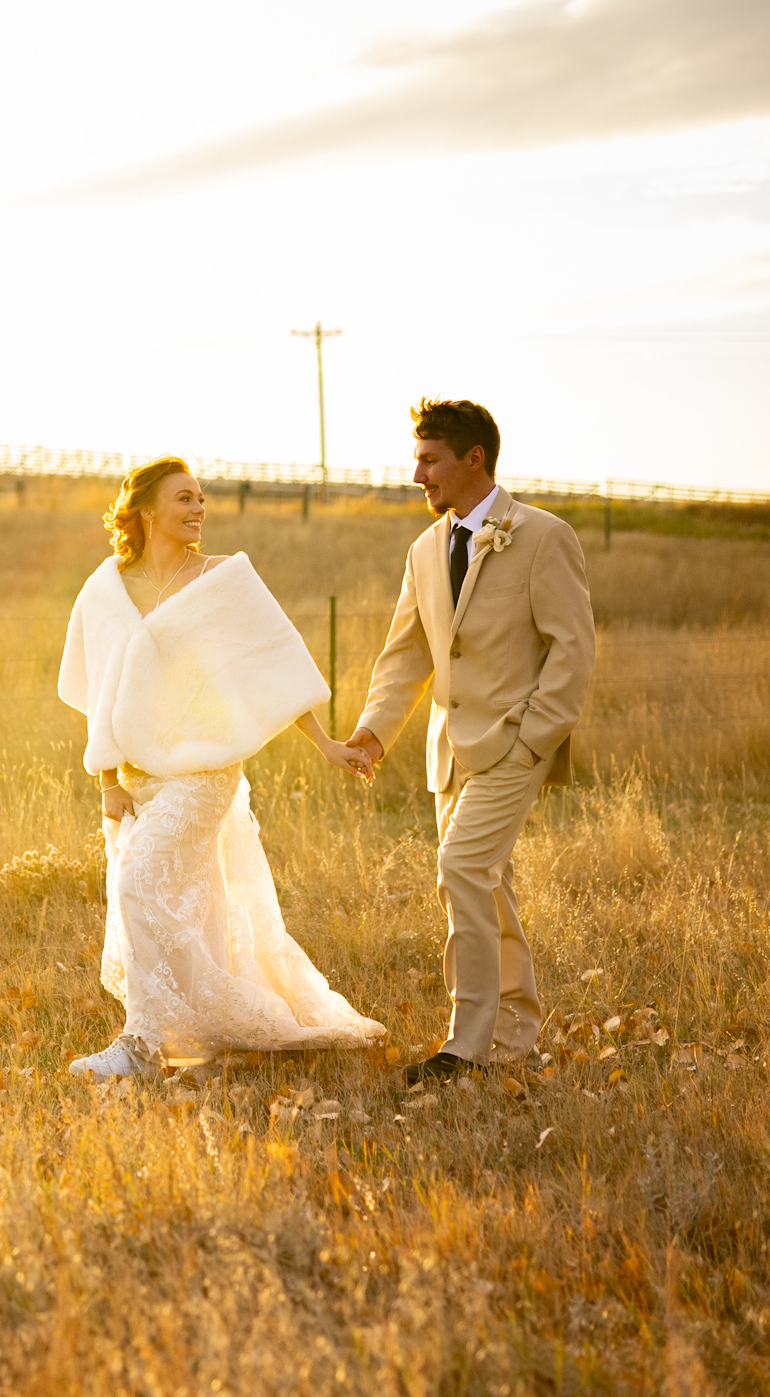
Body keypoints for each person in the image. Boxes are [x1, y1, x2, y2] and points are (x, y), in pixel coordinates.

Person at [58, 456, 387, 1081]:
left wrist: (325, 744)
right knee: (188, 903)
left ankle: (145, 1045)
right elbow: (97, 691)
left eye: (201, 499)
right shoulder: (105, 589)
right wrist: (106, 782)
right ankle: (201, 1031)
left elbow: (271, 669)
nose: (198, 510)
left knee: (138, 879)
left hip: (206, 772)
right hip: (135, 776)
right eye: (184, 499)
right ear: (147, 510)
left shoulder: (221, 580)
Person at [342, 400, 594, 1085]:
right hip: (448, 752)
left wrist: (534, 738)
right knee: (486, 884)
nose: (416, 472)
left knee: (459, 868)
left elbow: (573, 650)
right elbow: (406, 653)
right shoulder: (424, 549)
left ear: (473, 458)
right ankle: (515, 1035)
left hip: (514, 744)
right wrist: (372, 731)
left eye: (429, 459)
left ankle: (467, 1045)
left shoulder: (541, 535)